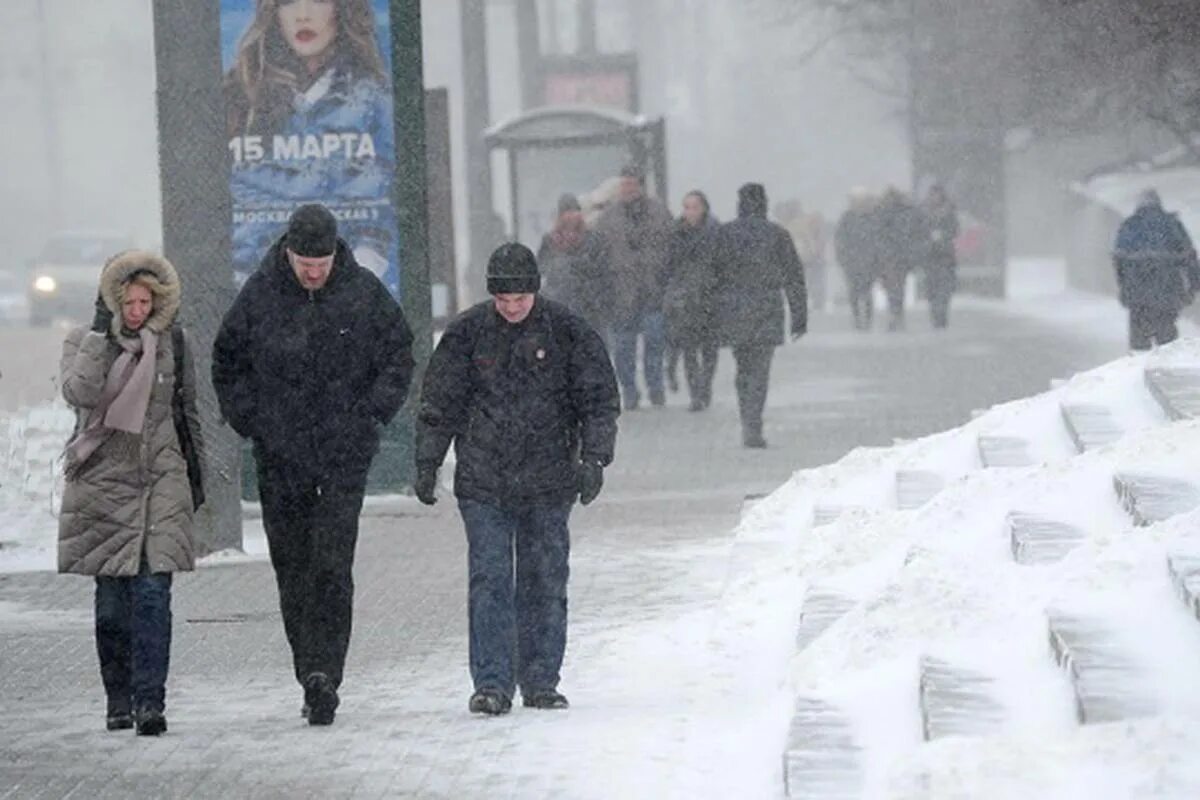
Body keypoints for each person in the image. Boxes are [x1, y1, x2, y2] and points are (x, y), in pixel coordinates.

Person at [211, 204, 415, 726]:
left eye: (322, 263)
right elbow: (227, 360)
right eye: (306, 263)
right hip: (281, 457)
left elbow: (399, 352)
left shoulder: (362, 292)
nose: (314, 272)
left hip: (344, 453)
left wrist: (373, 415)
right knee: (293, 568)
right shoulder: (260, 296)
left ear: (334, 255)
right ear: (288, 252)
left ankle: (326, 673)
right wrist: (251, 421)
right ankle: (309, 668)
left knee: (332, 563)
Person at [413, 243, 619, 716]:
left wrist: (595, 459)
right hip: (484, 481)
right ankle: (491, 682)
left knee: (544, 578)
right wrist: (428, 462)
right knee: (490, 579)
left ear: (535, 292)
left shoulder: (567, 332)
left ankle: (541, 680)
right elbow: (439, 404)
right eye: (503, 301)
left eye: (520, 300)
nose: (511, 308)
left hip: (549, 480)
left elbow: (598, 399)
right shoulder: (467, 334)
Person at [58, 251, 205, 736]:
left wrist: (195, 476)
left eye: (145, 301)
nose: (137, 310)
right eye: (128, 301)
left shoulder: (174, 344)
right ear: (111, 301)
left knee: (153, 594)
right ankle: (118, 699)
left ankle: (150, 703)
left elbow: (188, 413)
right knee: (113, 603)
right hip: (104, 481)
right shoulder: (85, 341)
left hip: (161, 477)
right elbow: (79, 393)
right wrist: (102, 336)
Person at [223, 0, 397, 288]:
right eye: (288, 2)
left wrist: (355, 282)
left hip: (347, 292)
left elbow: (385, 211)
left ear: (342, 9)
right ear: (273, 13)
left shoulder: (375, 99)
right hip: (256, 292)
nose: (303, 15)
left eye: (318, 0)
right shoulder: (239, 95)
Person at [713, 184, 808, 448]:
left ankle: (748, 417)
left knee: (743, 368)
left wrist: (711, 314)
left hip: (734, 311)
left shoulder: (725, 234)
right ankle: (753, 421)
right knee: (760, 370)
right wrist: (799, 316)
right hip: (767, 309)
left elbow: (712, 275)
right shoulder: (777, 235)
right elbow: (794, 277)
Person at [595, 164, 674, 410]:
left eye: (631, 183)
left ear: (640, 185)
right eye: (624, 183)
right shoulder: (608, 218)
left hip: (653, 292)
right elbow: (599, 256)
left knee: (654, 345)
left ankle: (655, 388)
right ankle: (629, 391)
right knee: (623, 350)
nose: (627, 188)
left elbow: (672, 251)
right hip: (620, 293)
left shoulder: (660, 214)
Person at [1113, 189, 1200, 351]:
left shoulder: (1129, 225)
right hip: (1167, 289)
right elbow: (1189, 257)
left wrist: (1124, 288)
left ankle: (1138, 369)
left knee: (1140, 338)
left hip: (1137, 292)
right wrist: (1194, 285)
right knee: (1167, 338)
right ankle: (1167, 368)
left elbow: (1119, 262)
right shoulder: (1172, 224)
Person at [663, 190, 721, 412]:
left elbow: (724, 264)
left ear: (704, 208)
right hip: (685, 300)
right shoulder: (676, 233)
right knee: (688, 349)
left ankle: (705, 385)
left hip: (710, 298)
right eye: (686, 207)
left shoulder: (716, 232)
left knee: (710, 349)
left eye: (693, 207)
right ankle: (695, 394)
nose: (689, 212)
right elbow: (668, 266)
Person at [536, 193, 613, 340]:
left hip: (590, 309)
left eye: (574, 211)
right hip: (560, 307)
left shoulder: (593, 239)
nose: (571, 217)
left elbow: (603, 271)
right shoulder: (549, 241)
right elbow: (541, 269)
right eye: (567, 212)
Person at [875, 187, 930, 332]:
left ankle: (895, 314)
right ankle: (896, 314)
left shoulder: (885, 213)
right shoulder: (906, 213)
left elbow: (880, 235)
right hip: (896, 257)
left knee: (894, 287)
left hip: (893, 257)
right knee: (896, 287)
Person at [835, 188, 880, 331]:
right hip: (852, 263)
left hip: (869, 263)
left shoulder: (872, 217)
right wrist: (843, 258)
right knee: (854, 293)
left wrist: (875, 258)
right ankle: (857, 319)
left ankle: (867, 319)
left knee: (867, 293)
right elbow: (840, 240)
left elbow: (877, 239)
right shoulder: (847, 218)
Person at [922, 184, 960, 329]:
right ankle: (935, 316)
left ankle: (942, 315)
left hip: (946, 256)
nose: (934, 197)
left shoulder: (949, 212)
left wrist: (943, 235)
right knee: (932, 289)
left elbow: (955, 230)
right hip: (930, 256)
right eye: (932, 194)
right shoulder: (925, 212)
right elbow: (919, 230)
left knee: (944, 290)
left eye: (937, 194)